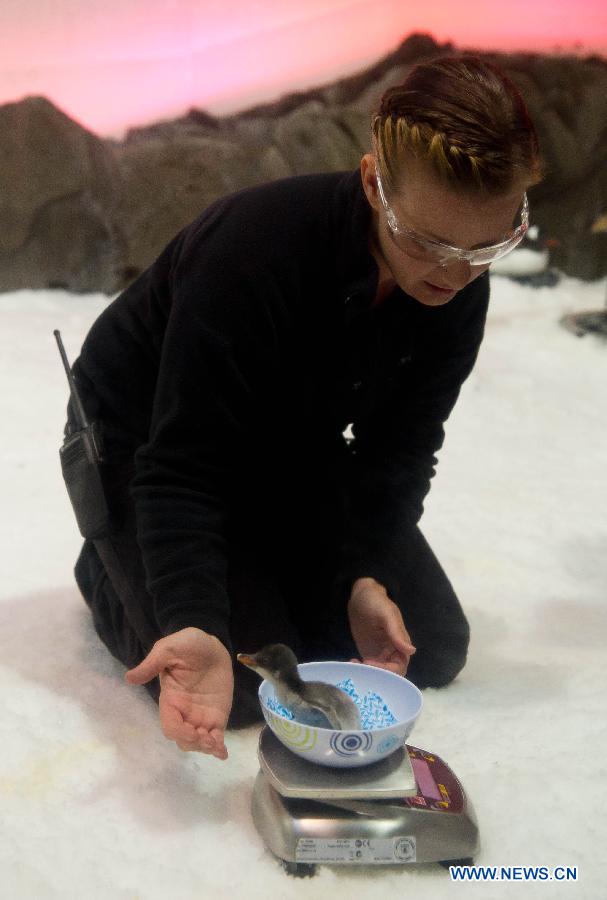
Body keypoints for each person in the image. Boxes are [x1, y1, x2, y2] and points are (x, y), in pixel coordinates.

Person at [64, 55, 541, 761]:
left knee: (429, 647)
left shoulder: (458, 279)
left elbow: (398, 449)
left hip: (290, 434)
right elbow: (180, 464)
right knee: (245, 679)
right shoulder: (253, 250)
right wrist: (193, 619)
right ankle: (105, 563)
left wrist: (364, 571)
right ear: (373, 182)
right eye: (428, 242)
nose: (454, 274)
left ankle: (256, 557)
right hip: (145, 441)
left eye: (487, 246)